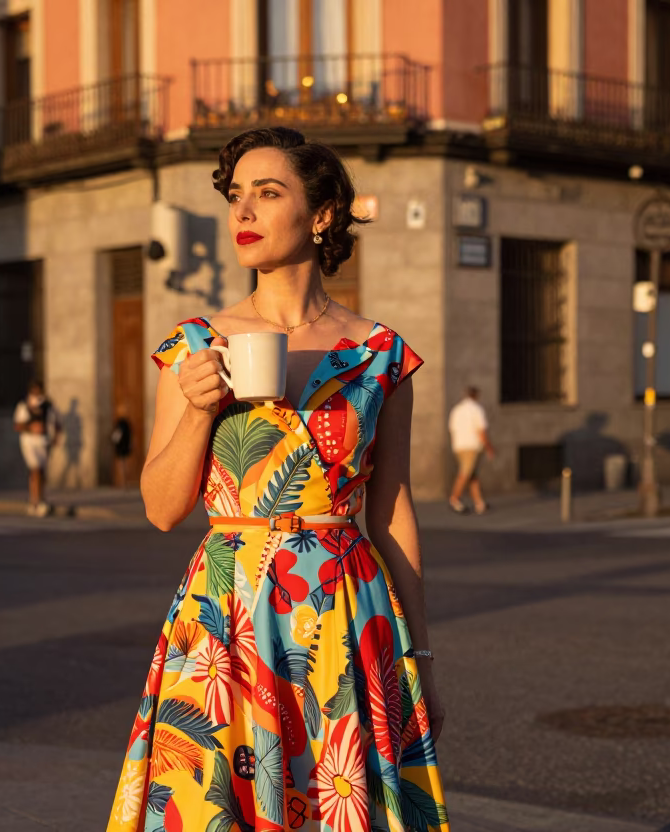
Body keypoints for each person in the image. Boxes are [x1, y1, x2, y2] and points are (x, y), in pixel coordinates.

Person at [106, 127, 447, 831]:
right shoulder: (197, 343)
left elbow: (392, 511)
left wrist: (419, 659)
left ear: (321, 215)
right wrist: (199, 409)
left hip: (346, 617)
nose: (244, 213)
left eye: (268, 193)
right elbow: (162, 509)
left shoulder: (380, 354)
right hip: (227, 613)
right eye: (237, 198)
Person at [13, 380, 59, 517]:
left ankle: (40, 498)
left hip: (44, 442)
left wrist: (56, 436)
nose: (36, 395)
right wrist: (30, 427)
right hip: (29, 442)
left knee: (41, 472)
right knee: (35, 469)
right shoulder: (23, 405)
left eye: (39, 392)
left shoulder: (48, 406)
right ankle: (35, 501)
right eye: (34, 392)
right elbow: (17, 425)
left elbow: (56, 423)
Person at [448, 384, 495, 514]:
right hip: (471, 446)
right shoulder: (476, 409)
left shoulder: (456, 410)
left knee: (472, 475)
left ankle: (479, 503)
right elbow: (481, 431)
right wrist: (489, 447)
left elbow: (452, 429)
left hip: (458, 446)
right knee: (465, 472)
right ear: (476, 396)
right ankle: (454, 498)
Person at [110, 406, 134, 489]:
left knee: (123, 464)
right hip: (122, 445)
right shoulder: (121, 422)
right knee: (122, 464)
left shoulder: (123, 423)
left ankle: (123, 482)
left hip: (123, 445)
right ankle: (122, 482)